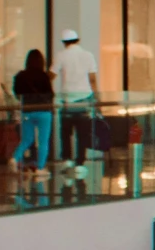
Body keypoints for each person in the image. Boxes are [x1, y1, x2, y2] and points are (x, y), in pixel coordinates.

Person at [53, 26, 98, 181]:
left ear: (64, 42)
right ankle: (80, 163)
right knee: (82, 133)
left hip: (67, 100)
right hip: (84, 98)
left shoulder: (61, 55)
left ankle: (67, 160)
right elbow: (92, 79)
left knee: (66, 132)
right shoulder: (88, 55)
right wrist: (96, 97)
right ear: (77, 40)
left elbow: (51, 74)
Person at [10, 47, 54, 185]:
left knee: (27, 139)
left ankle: (14, 158)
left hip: (27, 111)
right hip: (43, 112)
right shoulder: (44, 76)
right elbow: (50, 94)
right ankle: (40, 168)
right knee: (43, 141)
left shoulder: (20, 76)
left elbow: (17, 93)